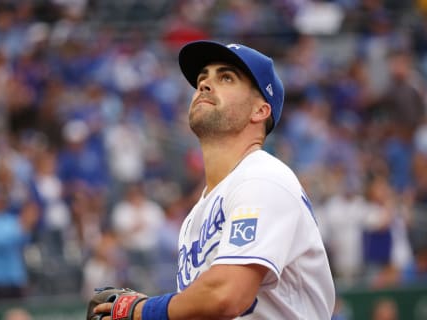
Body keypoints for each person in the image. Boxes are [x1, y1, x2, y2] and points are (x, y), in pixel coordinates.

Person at [92, 40, 335, 319]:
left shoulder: (263, 177)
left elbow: (227, 294)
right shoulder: (198, 213)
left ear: (260, 110)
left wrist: (141, 311)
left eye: (226, 77)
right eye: (202, 79)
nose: (205, 85)